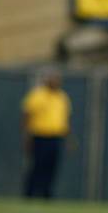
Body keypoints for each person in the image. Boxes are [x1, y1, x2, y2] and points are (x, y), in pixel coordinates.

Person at [21, 70, 71, 198]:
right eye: (53, 79)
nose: (56, 82)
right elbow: (27, 116)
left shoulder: (62, 97)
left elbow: (64, 120)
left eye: (58, 79)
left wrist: (68, 139)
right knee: (37, 165)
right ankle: (29, 193)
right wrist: (27, 137)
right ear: (46, 80)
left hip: (56, 137)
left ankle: (46, 194)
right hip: (40, 136)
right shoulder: (37, 95)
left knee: (52, 167)